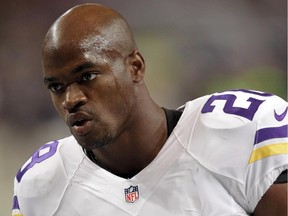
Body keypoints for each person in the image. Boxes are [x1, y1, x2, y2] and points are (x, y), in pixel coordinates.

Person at [12, 3, 287, 216]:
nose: (70, 99)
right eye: (56, 87)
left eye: (87, 76)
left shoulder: (242, 130)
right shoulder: (43, 183)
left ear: (135, 67)